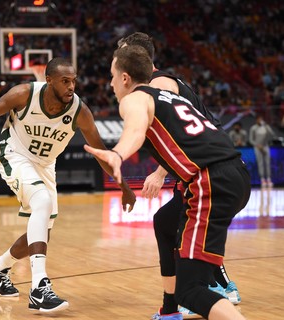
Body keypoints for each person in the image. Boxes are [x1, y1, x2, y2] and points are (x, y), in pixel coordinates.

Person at [0, 57, 136, 313]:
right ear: (49, 80)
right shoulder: (24, 94)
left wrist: (124, 186)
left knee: (41, 234)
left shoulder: (80, 111)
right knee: (42, 202)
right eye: (65, 81)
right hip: (14, 154)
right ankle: (39, 287)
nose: (71, 87)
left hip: (46, 166)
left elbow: (101, 151)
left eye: (74, 81)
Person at [85, 45, 250, 320]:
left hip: (210, 180)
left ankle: (192, 298)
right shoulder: (171, 96)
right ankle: (173, 308)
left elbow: (136, 129)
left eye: (112, 76)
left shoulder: (134, 99)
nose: (110, 83)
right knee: (168, 227)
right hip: (235, 174)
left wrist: (117, 154)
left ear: (125, 78)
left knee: (191, 290)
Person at [248, 114, 274, 187]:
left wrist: (266, 126)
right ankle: (262, 179)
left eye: (261, 119)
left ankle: (268, 179)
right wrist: (257, 145)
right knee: (260, 163)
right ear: (256, 120)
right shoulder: (253, 128)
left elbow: (272, 134)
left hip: (265, 146)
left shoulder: (265, 127)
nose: (260, 120)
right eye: (259, 119)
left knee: (267, 162)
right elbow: (251, 139)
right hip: (257, 147)